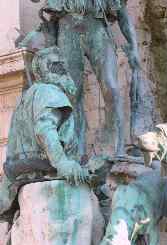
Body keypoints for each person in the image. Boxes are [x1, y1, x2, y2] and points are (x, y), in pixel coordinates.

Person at [30, 0, 140, 156]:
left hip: (96, 29)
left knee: (111, 88)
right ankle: (76, 152)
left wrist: (134, 46)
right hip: (67, 31)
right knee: (72, 95)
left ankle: (115, 148)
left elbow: (122, 14)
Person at [0, 46, 89, 221]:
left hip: (21, 174)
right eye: (56, 66)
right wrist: (62, 162)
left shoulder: (28, 96)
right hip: (44, 170)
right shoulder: (50, 92)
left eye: (63, 65)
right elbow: (45, 129)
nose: (63, 69)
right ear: (42, 72)